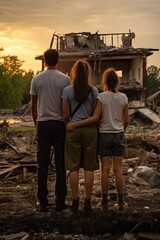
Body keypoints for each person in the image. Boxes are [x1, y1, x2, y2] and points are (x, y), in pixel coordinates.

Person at [66, 67, 128, 211]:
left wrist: (75, 124)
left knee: (105, 170)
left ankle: (104, 202)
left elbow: (95, 117)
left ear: (104, 81)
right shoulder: (124, 98)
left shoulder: (101, 97)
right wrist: (120, 129)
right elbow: (126, 121)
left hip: (104, 135)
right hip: (118, 134)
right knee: (118, 170)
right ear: (117, 82)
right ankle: (121, 203)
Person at [30, 49, 71, 212]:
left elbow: (34, 105)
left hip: (43, 124)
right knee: (61, 165)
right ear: (58, 60)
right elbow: (66, 104)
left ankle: (43, 201)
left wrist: (37, 123)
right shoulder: (65, 79)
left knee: (42, 165)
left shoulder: (36, 79)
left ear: (45, 61)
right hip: (59, 124)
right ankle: (60, 202)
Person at [62, 59, 99, 213]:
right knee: (89, 168)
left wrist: (71, 124)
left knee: (73, 168)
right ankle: (88, 202)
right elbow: (95, 113)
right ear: (88, 73)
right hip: (90, 130)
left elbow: (65, 114)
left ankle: (75, 201)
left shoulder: (67, 91)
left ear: (74, 73)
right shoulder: (94, 91)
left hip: (73, 129)